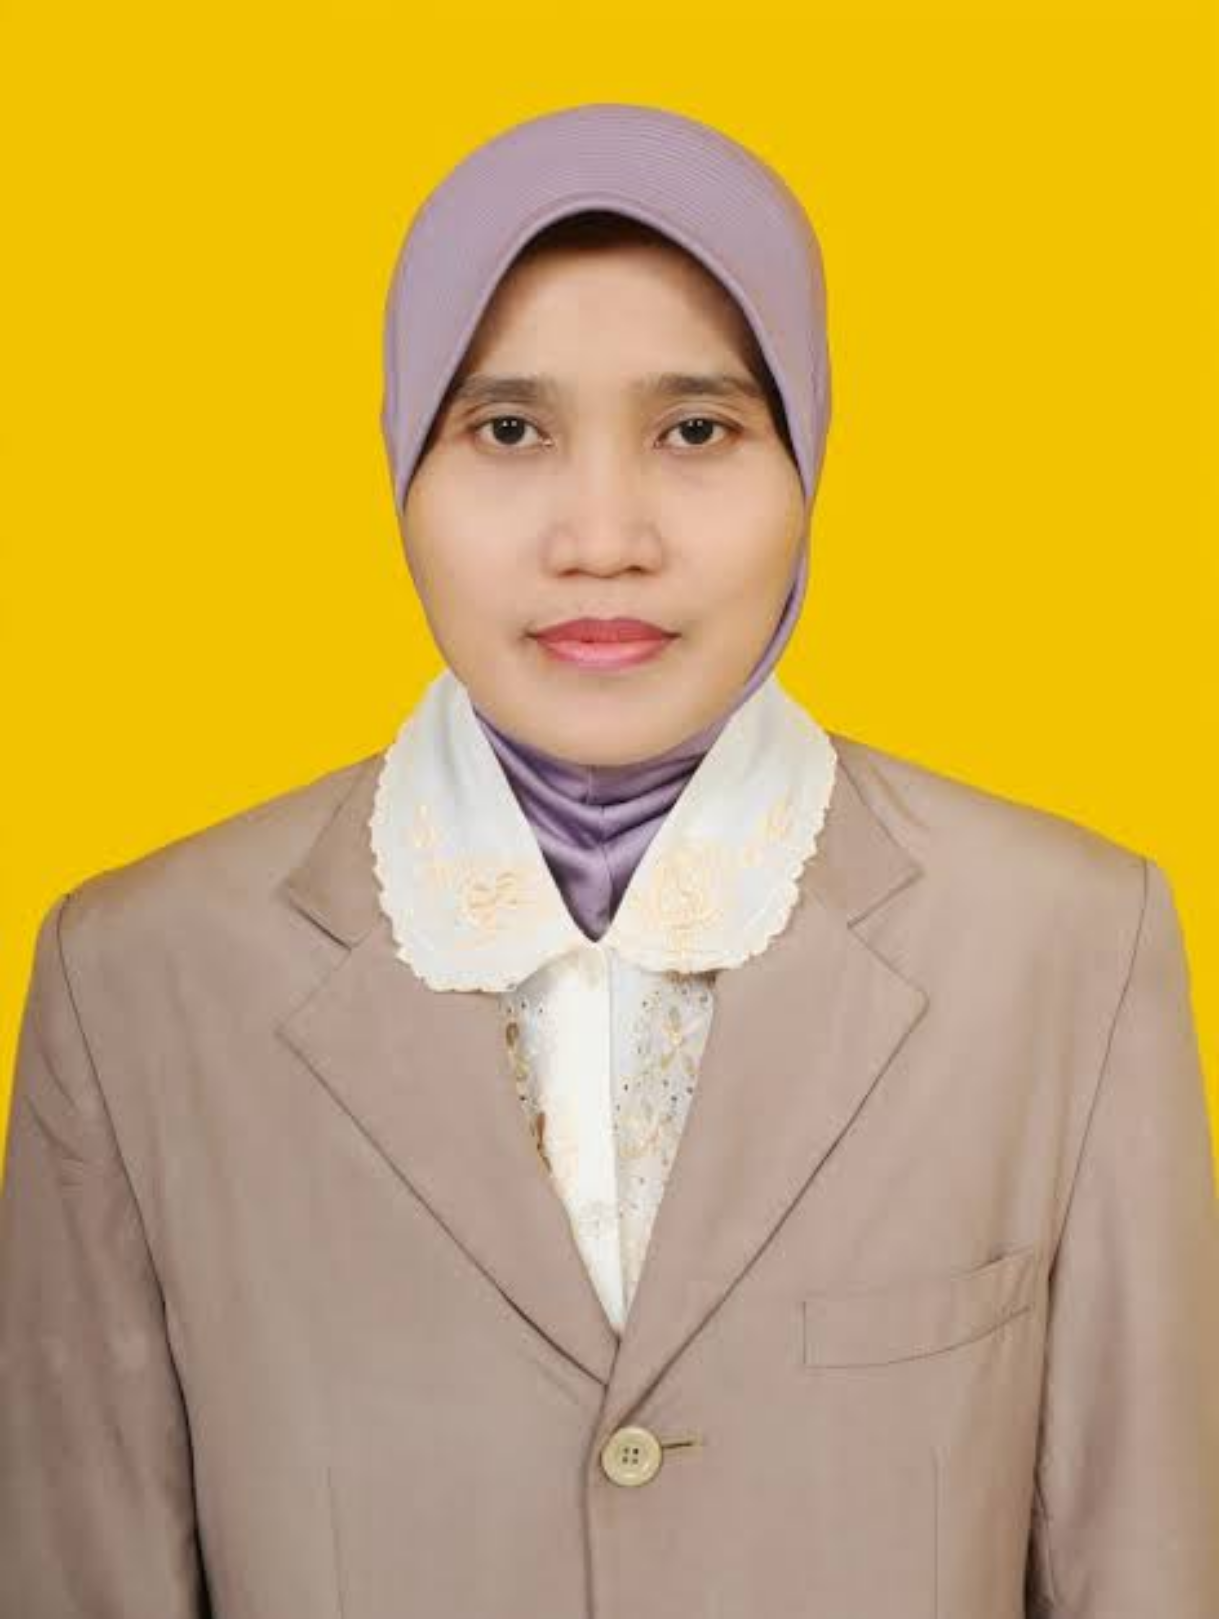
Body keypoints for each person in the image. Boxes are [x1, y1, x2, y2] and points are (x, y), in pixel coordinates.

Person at [1, 101, 1216, 1619]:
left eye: (695, 429)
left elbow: (1150, 1561)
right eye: (506, 430)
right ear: (402, 457)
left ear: (807, 454)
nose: (600, 537)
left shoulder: (1067, 946)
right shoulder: (136, 980)